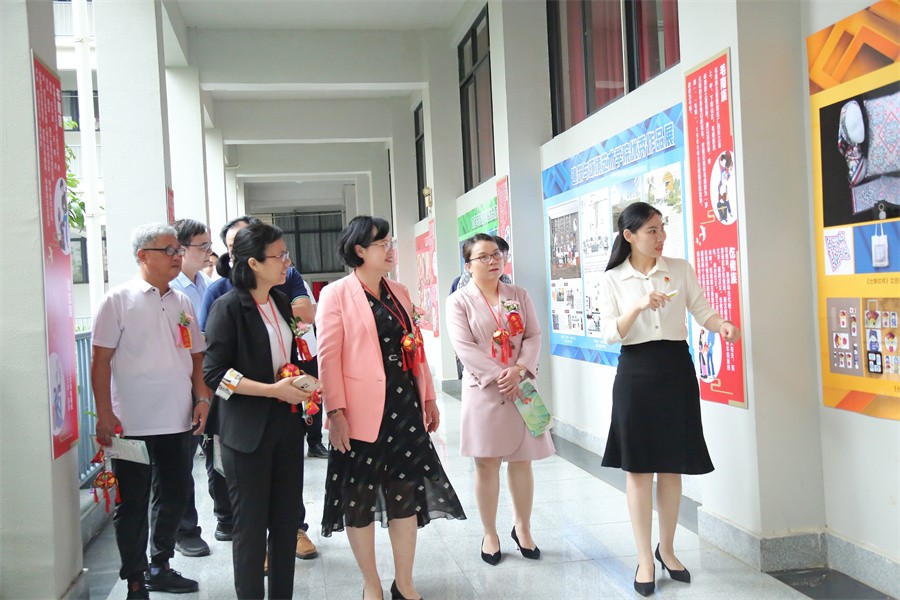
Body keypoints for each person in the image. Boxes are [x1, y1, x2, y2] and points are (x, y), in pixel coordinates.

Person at [317, 215, 466, 600]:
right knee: (359, 498)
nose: (390, 250)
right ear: (359, 250)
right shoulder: (336, 294)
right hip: (359, 413)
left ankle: (405, 582)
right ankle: (372, 584)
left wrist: (428, 396)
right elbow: (328, 359)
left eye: (390, 243)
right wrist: (335, 413)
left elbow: (415, 347)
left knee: (405, 494)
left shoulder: (398, 290)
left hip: (404, 406)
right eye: (382, 244)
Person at [596, 201, 741, 596]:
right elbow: (609, 334)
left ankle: (668, 549)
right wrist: (639, 305)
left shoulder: (679, 268)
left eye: (662, 228)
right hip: (636, 373)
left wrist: (722, 326)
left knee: (672, 466)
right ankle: (645, 557)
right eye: (652, 231)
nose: (661, 237)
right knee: (639, 469)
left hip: (676, 370)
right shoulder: (613, 278)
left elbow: (702, 310)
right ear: (629, 236)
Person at [91, 223, 210, 600]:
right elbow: (100, 361)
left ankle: (161, 564)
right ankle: (135, 578)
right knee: (132, 502)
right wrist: (105, 414)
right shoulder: (117, 300)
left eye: (179, 250)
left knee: (174, 494)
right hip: (131, 424)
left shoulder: (182, 301)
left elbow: (197, 357)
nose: (178, 256)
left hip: (177, 418)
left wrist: (202, 398)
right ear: (142, 256)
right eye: (169, 250)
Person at [202, 222, 315, 599]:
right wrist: (270, 391)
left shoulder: (281, 302)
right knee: (250, 531)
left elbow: (286, 359)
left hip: (286, 428)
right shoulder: (228, 307)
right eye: (279, 255)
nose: (286, 262)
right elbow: (215, 375)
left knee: (285, 526)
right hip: (246, 433)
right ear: (253, 263)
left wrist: (303, 383)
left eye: (286, 254)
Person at [446, 233, 554, 567]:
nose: (493, 261)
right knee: (487, 463)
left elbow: (534, 334)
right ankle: (490, 533)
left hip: (521, 386)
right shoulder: (459, 301)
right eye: (483, 256)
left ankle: (523, 528)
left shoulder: (518, 294)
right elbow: (464, 347)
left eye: (497, 254)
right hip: (484, 390)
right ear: (468, 265)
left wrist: (519, 369)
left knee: (523, 460)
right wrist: (498, 375)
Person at [169, 218, 213, 558]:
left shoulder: (207, 284)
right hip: (180, 383)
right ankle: (184, 531)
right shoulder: (172, 290)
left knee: (212, 452)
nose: (209, 252)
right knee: (180, 462)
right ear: (181, 249)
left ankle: (224, 518)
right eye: (203, 246)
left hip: (210, 380)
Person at [297, 277, 329, 459]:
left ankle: (315, 441)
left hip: (308, 348)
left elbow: (312, 311)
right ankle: (294, 441)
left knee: (313, 393)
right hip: (285, 351)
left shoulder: (298, 282)